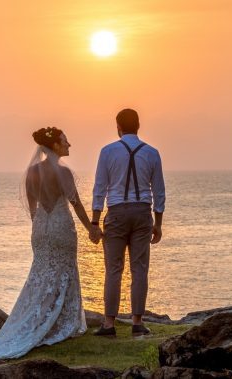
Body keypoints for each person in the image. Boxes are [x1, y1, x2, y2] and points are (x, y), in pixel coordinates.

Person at [0, 127, 102, 362]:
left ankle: (40, 320)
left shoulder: (32, 171)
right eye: (65, 141)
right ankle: (61, 324)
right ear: (54, 145)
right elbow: (75, 204)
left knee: (42, 274)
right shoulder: (63, 172)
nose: (69, 145)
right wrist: (91, 229)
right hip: (61, 227)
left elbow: (33, 209)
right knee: (64, 271)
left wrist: (41, 228)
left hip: (40, 229)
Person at [91, 108, 165, 337]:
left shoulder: (107, 151)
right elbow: (159, 192)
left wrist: (94, 222)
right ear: (139, 126)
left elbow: (99, 189)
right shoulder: (152, 153)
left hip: (116, 213)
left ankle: (109, 324)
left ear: (118, 127)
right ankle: (137, 322)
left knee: (113, 269)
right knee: (139, 269)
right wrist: (158, 222)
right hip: (142, 213)